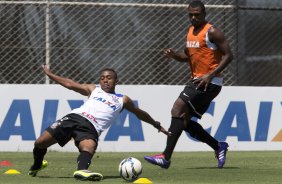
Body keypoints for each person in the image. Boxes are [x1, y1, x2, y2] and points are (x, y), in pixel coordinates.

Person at [28, 64, 171, 181]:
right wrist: (49, 74)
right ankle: (37, 165)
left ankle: (82, 171)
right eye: (102, 78)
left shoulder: (122, 99)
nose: (105, 80)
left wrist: (156, 124)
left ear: (116, 81)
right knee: (40, 143)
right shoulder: (93, 90)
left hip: (92, 127)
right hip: (74, 117)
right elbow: (69, 84)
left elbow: (140, 113)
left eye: (109, 78)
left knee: (88, 147)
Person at [144, 0, 233, 169]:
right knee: (183, 121)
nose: (193, 17)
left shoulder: (212, 32)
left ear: (204, 14)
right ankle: (218, 146)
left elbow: (229, 55)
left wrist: (210, 75)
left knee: (177, 109)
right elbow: (187, 56)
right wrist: (174, 55)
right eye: (190, 14)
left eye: (197, 14)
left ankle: (165, 157)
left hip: (209, 82)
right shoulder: (191, 31)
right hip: (198, 81)